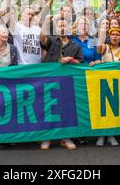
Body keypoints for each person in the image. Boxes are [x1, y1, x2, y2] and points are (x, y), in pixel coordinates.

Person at [39, 16, 83, 150]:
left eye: (65, 26)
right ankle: (47, 137)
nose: (62, 28)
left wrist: (71, 59)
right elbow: (42, 39)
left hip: (66, 84)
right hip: (49, 81)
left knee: (65, 110)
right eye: (60, 26)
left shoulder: (75, 45)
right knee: (48, 109)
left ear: (69, 28)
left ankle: (65, 137)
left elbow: (81, 63)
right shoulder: (51, 40)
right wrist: (46, 22)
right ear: (56, 28)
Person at [5, 0, 42, 65]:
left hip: (37, 67)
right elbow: (7, 16)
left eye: (32, 14)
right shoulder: (18, 27)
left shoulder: (38, 29)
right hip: (22, 67)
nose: (31, 16)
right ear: (22, 15)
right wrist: (8, 0)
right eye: (28, 14)